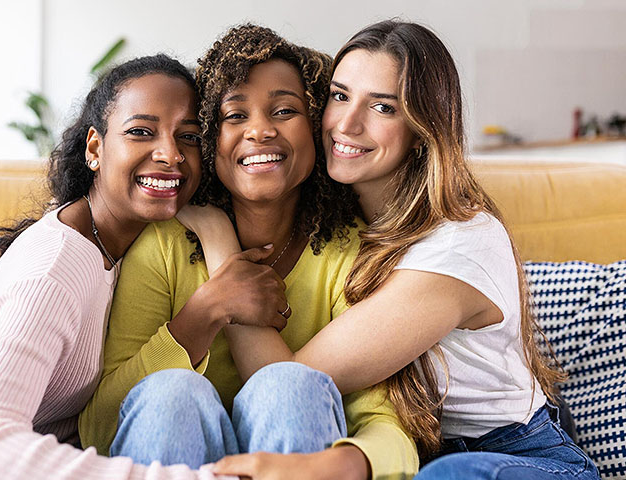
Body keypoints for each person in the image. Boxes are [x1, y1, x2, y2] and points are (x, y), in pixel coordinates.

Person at [189, 21, 601, 480]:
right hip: (409, 457)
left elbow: (286, 378)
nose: (346, 124)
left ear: (423, 128)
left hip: (512, 456)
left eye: (383, 107)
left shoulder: (459, 242)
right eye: (340, 96)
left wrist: (218, 238)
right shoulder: (339, 221)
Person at [78, 24, 419, 480]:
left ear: (316, 126)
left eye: (284, 110)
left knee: (289, 385)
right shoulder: (164, 243)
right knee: (171, 394)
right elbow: (99, 425)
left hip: (298, 458)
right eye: (235, 116)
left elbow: (387, 428)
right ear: (210, 137)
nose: (259, 130)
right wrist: (202, 315)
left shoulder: (353, 253)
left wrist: (347, 461)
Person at [0, 55, 231, 480]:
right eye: (140, 132)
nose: (171, 154)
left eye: (187, 136)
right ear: (95, 148)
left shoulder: (123, 243)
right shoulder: (56, 269)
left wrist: (214, 228)